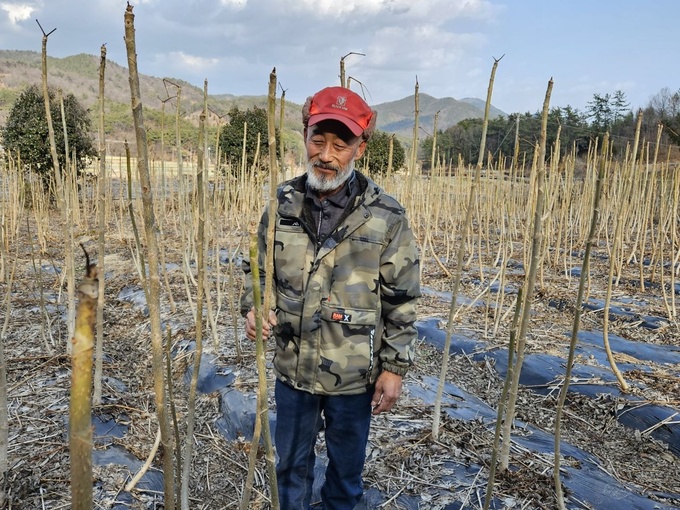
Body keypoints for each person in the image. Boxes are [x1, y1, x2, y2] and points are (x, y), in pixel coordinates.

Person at [241, 85, 420, 510]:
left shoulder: (385, 215)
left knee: (345, 475)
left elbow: (402, 297)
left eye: (340, 146)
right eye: (317, 140)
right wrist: (254, 307)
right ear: (305, 136)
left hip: (354, 376)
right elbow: (258, 270)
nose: (326, 155)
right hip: (292, 368)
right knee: (289, 470)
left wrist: (394, 368)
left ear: (360, 148)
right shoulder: (281, 204)